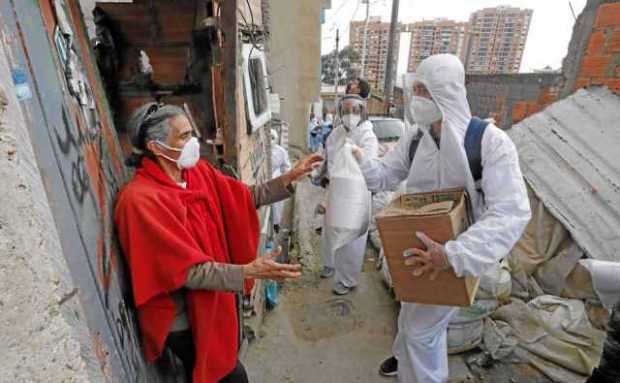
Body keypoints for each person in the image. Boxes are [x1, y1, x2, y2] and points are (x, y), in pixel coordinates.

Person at [352, 54, 531, 382]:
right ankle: (403, 360)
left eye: (424, 90)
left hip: (456, 257)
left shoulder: (490, 142)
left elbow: (511, 212)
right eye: (416, 89)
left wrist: (452, 255)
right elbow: (383, 179)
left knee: (422, 333)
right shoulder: (416, 137)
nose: (417, 98)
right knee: (410, 316)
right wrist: (360, 155)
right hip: (417, 251)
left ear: (445, 92)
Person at [114, 103, 323, 383]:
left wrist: (287, 179)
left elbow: (243, 198)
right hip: (182, 317)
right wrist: (247, 272)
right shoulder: (139, 201)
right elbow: (186, 272)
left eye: (192, 134)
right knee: (230, 376)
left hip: (215, 296)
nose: (193, 143)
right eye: (183, 137)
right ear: (155, 146)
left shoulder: (197, 173)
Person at [318, 95, 379, 295]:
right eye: (346, 110)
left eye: (355, 110)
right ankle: (329, 264)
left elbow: (369, 165)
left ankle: (347, 279)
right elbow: (328, 159)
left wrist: (357, 152)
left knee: (352, 236)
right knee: (330, 228)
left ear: (362, 112)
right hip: (336, 190)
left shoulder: (368, 135)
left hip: (357, 193)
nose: (350, 115)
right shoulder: (335, 134)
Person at [270, 129, 292, 233]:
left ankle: (276, 223)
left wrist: (285, 180)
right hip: (265, 179)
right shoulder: (261, 150)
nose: (270, 141)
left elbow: (286, 166)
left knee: (277, 204)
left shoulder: (281, 151)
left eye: (272, 138)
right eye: (268, 137)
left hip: (277, 178)